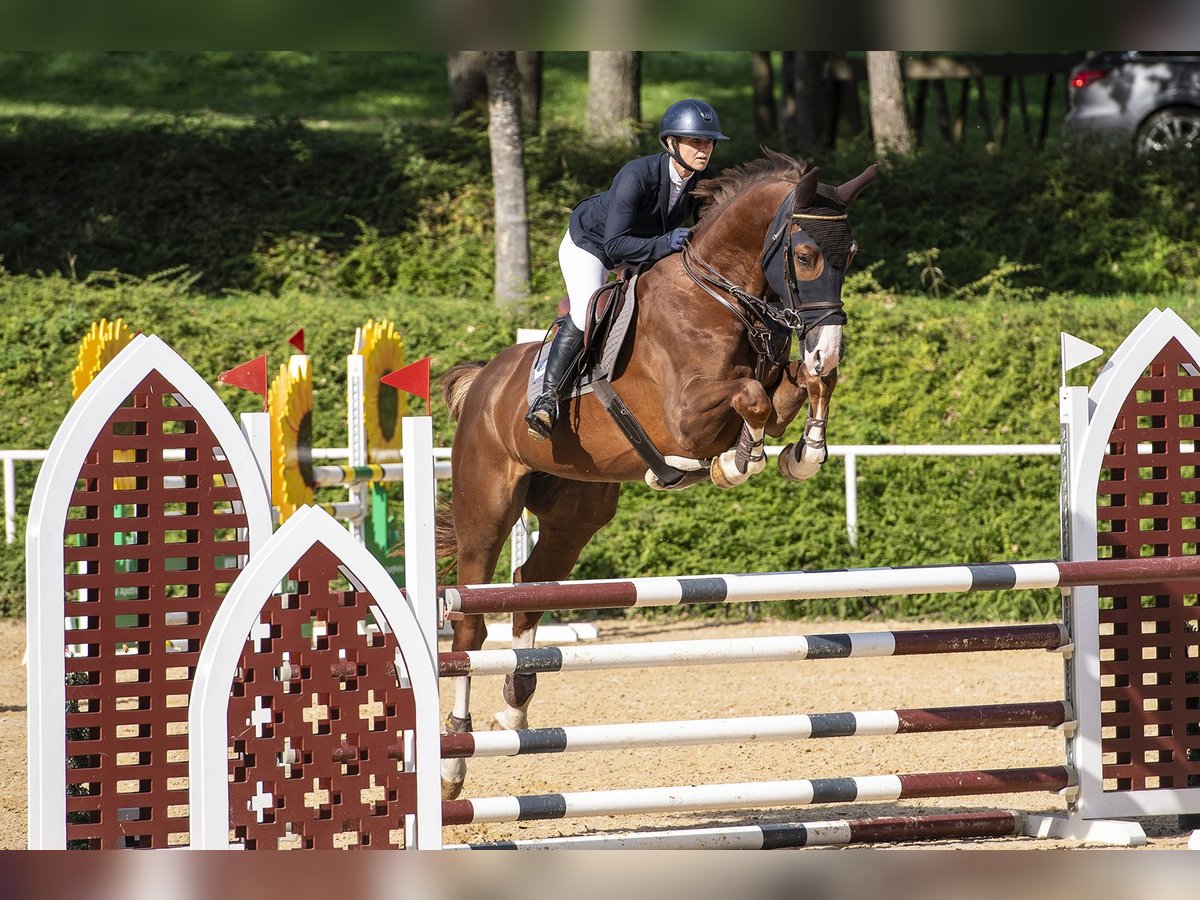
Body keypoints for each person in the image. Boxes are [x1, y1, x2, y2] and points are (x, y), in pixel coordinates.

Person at [524, 98, 730, 440]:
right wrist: (667, 243)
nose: (704, 149)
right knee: (587, 311)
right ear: (671, 143)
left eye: (708, 142)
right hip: (591, 245)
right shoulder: (637, 174)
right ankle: (546, 399)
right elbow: (615, 246)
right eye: (695, 141)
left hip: (643, 250)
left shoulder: (703, 180)